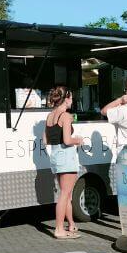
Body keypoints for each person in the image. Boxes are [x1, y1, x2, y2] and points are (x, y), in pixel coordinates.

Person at [42, 85, 85, 239]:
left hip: (55, 156)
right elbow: (67, 140)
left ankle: (71, 224)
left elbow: (45, 140)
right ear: (66, 99)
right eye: (71, 97)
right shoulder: (66, 116)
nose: (72, 100)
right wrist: (78, 140)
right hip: (66, 156)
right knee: (65, 194)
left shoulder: (49, 116)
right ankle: (59, 229)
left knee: (66, 194)